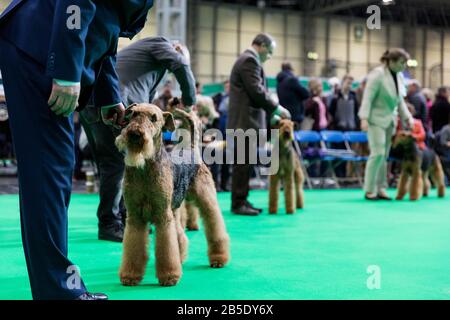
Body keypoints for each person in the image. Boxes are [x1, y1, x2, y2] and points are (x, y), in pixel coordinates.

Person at [0, 0, 154, 300]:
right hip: (36, 50)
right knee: (50, 172)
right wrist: (68, 70)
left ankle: (56, 289)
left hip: (38, 48)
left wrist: (109, 97)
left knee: (52, 171)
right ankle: (59, 293)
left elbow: (105, 30)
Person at [80, 37, 196, 242]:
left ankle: (123, 217)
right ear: (176, 48)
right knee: (116, 165)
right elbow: (180, 63)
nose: (172, 70)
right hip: (114, 103)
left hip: (92, 102)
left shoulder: (151, 64)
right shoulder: (161, 43)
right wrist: (189, 100)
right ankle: (110, 223)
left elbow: (148, 103)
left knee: (109, 164)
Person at [227, 33, 291, 216]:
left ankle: (242, 199)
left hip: (246, 122)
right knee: (242, 162)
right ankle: (238, 203)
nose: (269, 56)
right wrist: (277, 108)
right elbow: (256, 91)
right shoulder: (249, 61)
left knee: (245, 162)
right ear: (261, 46)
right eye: (269, 51)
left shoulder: (248, 60)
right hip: (244, 122)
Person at [358, 48, 414, 201]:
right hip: (374, 120)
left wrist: (408, 118)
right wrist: (363, 118)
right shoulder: (377, 74)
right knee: (377, 154)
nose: (404, 66)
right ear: (391, 61)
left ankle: (381, 189)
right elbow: (367, 98)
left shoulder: (399, 77)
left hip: (390, 120)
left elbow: (399, 100)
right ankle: (369, 190)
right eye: (402, 62)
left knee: (385, 156)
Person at [276, 62, 309, 130]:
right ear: (291, 69)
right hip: (295, 116)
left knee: (284, 137)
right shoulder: (292, 80)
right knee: (294, 137)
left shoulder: (279, 83)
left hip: (283, 115)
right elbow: (306, 94)